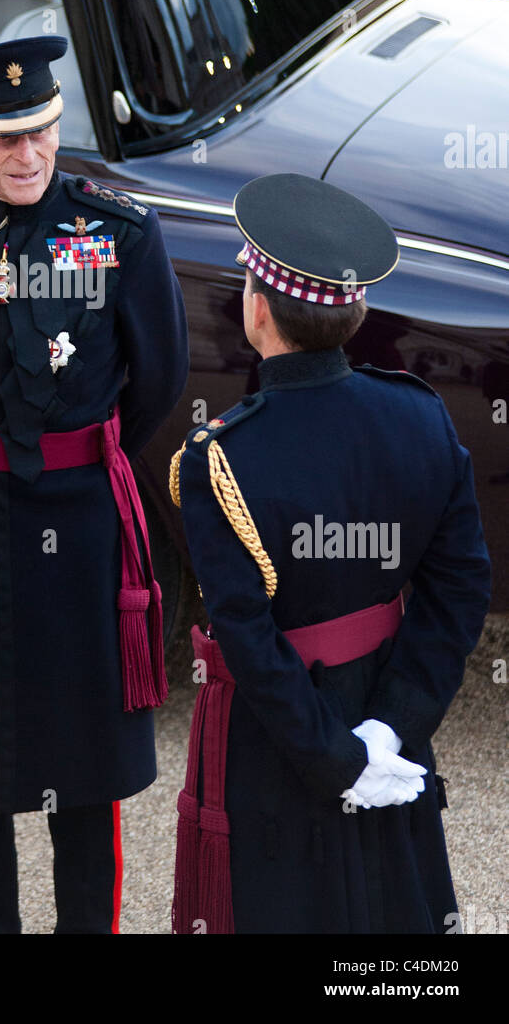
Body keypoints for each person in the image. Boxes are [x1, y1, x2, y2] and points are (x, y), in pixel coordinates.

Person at [0, 36, 188, 933]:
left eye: (43, 131)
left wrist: (64, 457)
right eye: (4, 137)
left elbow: (154, 381)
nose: (29, 154)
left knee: (83, 764)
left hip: (73, 527)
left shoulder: (120, 236)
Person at [170, 172, 491, 934]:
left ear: (257, 308)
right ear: (356, 314)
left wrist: (331, 758)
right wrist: (389, 730)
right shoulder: (419, 417)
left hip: (283, 738)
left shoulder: (218, 457)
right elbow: (459, 591)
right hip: (387, 712)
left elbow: (246, 634)